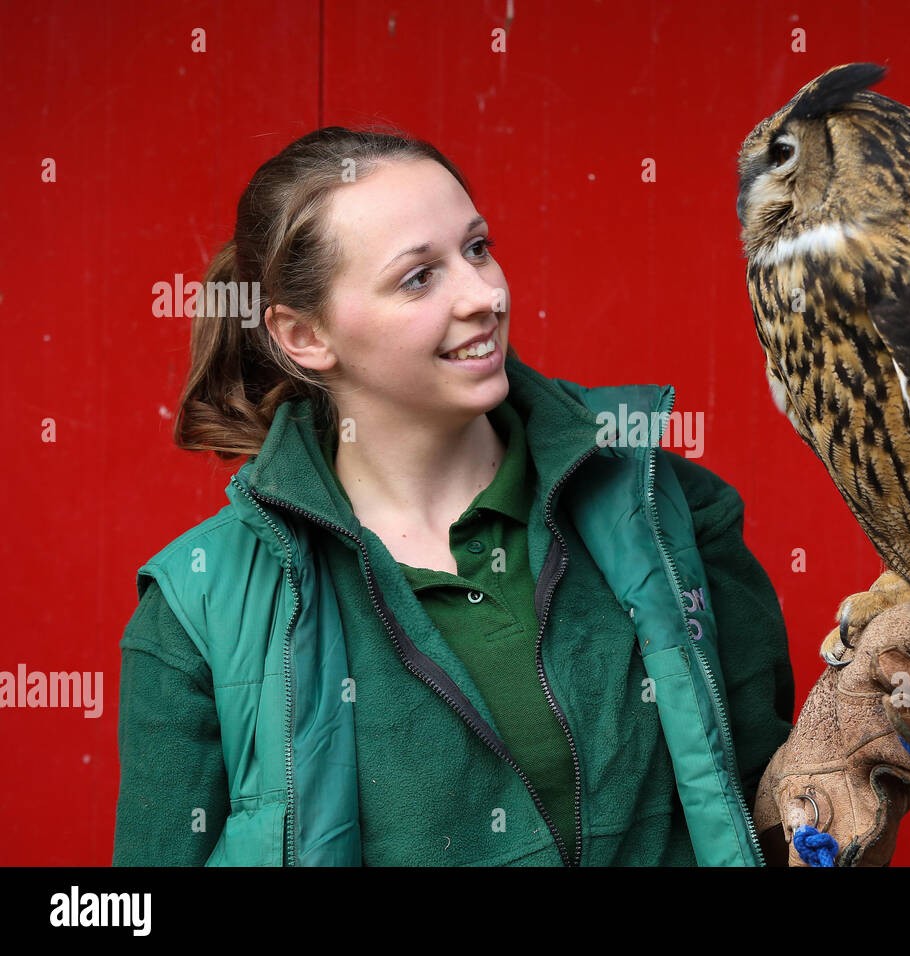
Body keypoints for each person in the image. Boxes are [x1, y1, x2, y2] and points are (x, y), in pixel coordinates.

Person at [112, 126, 801, 866]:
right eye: (419, 277)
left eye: (477, 249)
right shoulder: (199, 609)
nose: (486, 294)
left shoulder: (667, 513)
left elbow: (770, 822)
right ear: (305, 336)